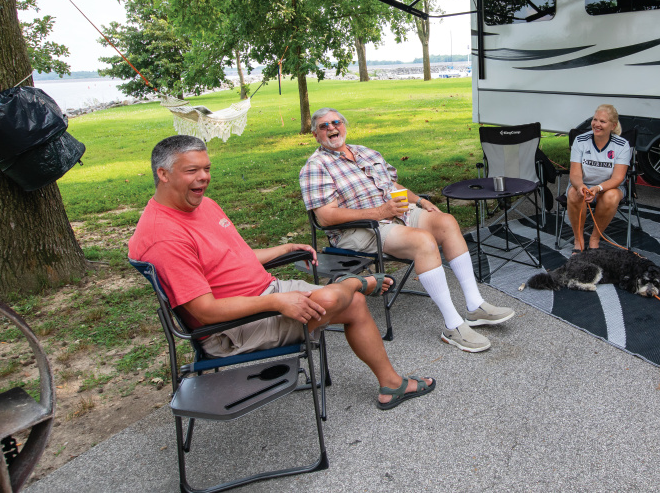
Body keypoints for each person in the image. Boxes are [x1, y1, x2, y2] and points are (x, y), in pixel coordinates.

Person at [128, 135, 434, 410]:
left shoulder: (200, 205)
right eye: (192, 171)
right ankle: (353, 284)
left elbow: (232, 258)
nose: (204, 178)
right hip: (232, 329)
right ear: (163, 174)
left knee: (350, 302)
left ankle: (386, 376)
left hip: (261, 294)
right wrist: (276, 303)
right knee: (348, 300)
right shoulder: (164, 236)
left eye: (206, 168)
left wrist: (283, 249)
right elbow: (204, 311)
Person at [299, 107, 514, 353]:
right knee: (423, 241)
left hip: (396, 214)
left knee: (446, 222)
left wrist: (420, 202)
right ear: (316, 135)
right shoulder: (316, 166)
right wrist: (379, 213)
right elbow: (325, 217)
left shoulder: (364, 152)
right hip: (360, 229)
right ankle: (453, 326)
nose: (332, 128)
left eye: (336, 122)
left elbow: (392, 185)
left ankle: (475, 305)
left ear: (344, 125)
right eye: (324, 126)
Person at [565, 104, 631, 252]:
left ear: (613, 125)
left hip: (610, 187)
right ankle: (579, 241)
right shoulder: (580, 141)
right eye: (595, 120)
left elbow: (618, 178)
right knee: (575, 194)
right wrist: (581, 186)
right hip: (584, 184)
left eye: (602, 121)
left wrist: (598, 188)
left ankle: (594, 239)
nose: (596, 124)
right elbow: (575, 174)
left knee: (611, 196)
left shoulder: (622, 145)